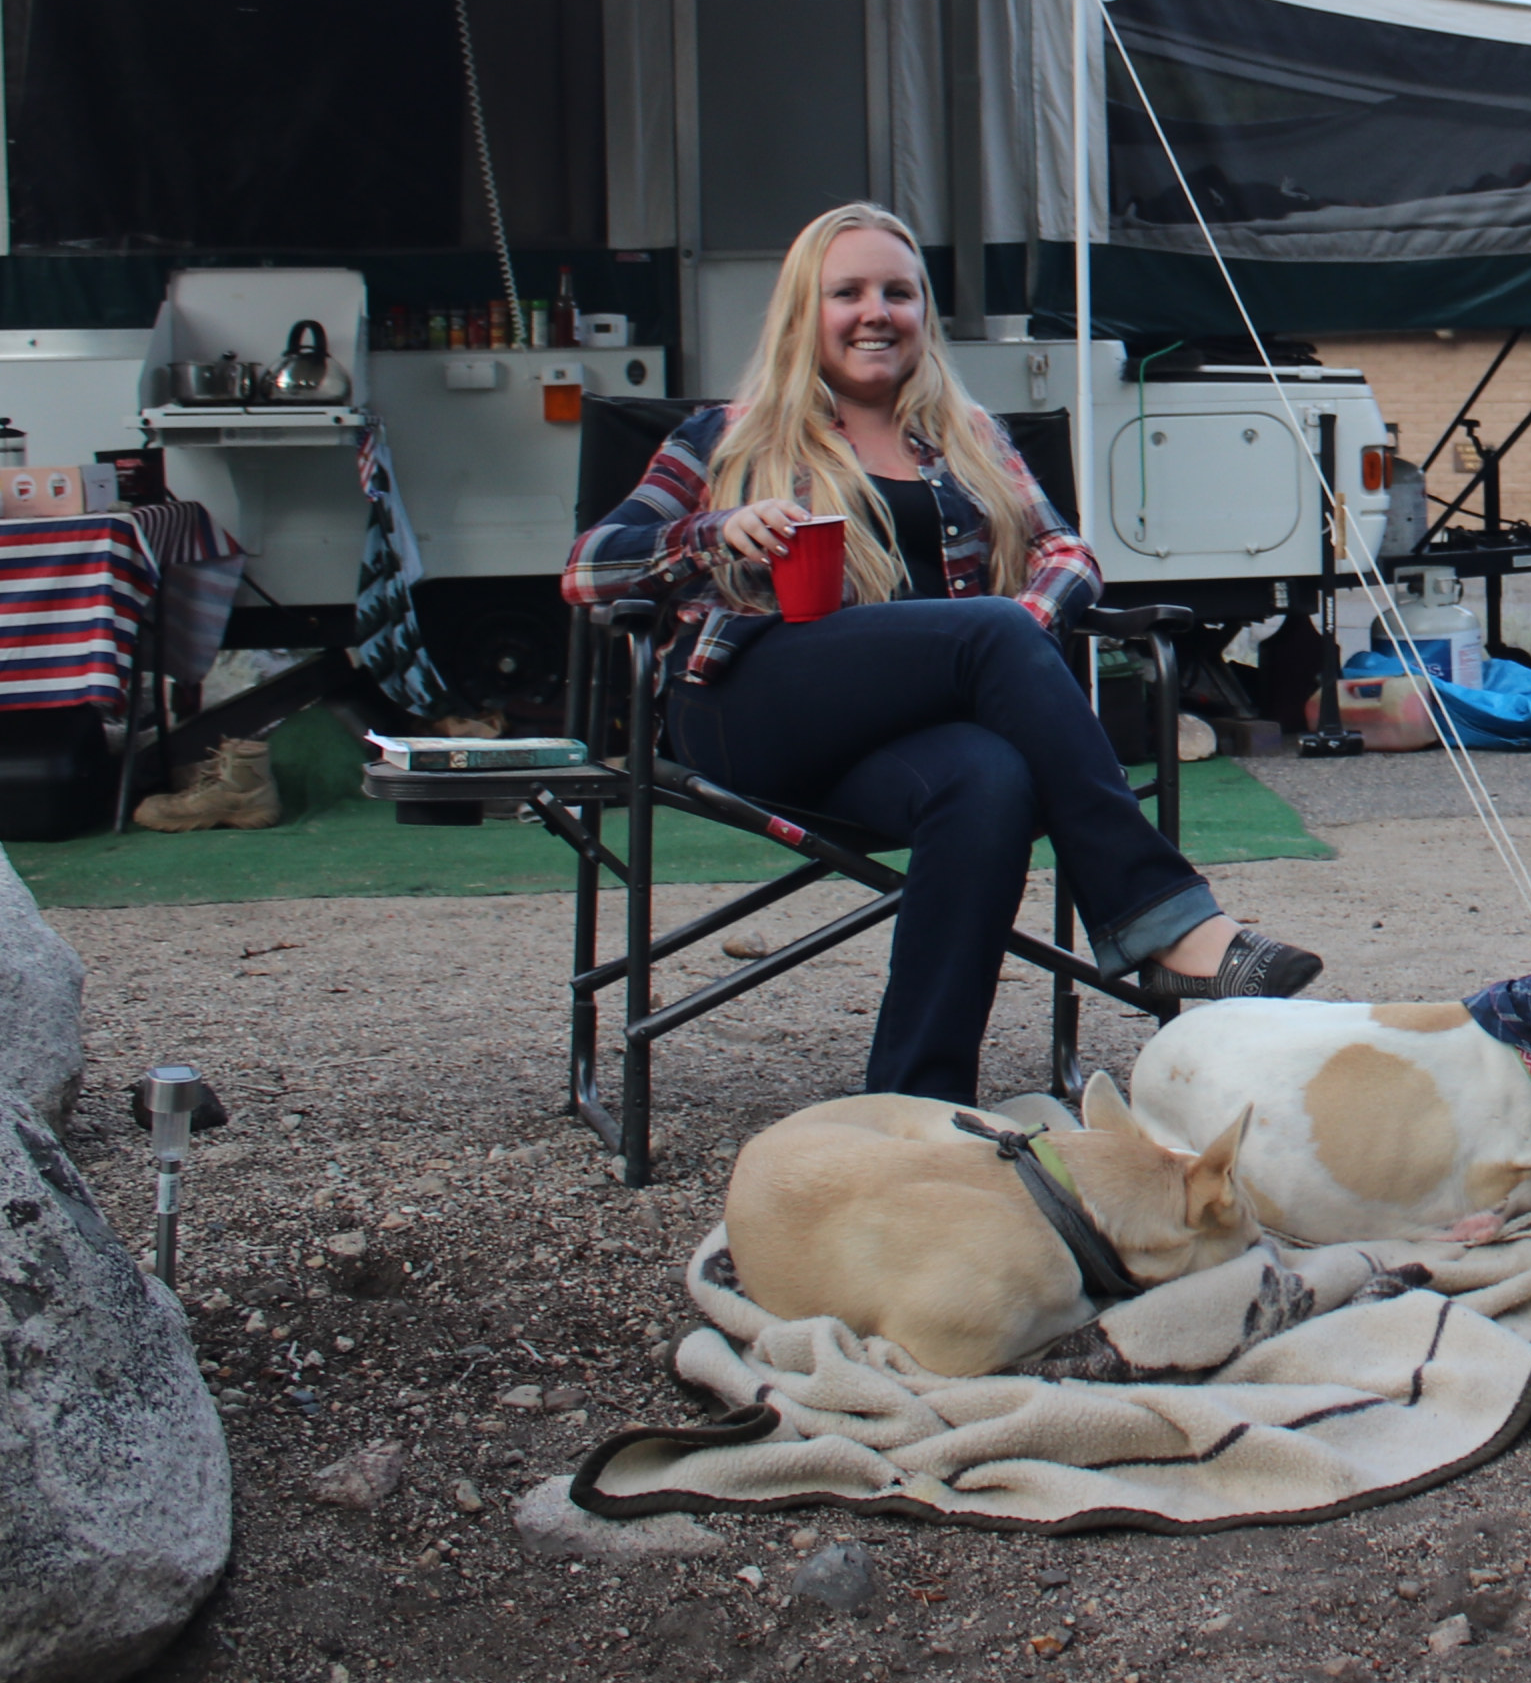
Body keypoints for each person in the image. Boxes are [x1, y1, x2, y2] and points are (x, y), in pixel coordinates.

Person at [563, 202, 1320, 1103]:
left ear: (924, 310)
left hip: (902, 737)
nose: (875, 312)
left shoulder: (968, 437)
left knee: (990, 777)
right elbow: (588, 571)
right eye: (847, 292)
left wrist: (1025, 624)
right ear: (804, 312)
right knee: (993, 634)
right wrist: (714, 532)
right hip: (748, 705)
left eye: (898, 291)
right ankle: (1164, 921)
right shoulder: (727, 434)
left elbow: (1068, 552)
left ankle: (916, 1102)